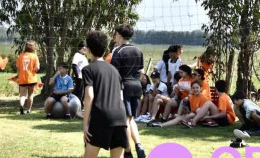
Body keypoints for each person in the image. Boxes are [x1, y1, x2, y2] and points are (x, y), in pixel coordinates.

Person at [82, 30, 128, 158]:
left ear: (88, 50)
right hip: (120, 116)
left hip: (102, 116)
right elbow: (121, 97)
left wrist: (85, 124)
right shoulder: (114, 70)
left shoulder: (88, 69)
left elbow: (89, 96)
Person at [110, 24, 146, 158]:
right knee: (131, 119)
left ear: (119, 35)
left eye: (115, 34)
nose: (114, 37)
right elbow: (141, 72)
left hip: (123, 87)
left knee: (124, 120)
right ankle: (139, 145)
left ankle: (128, 151)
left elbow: (114, 73)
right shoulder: (138, 50)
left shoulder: (117, 51)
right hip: (137, 86)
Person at [147, 81, 215, 128]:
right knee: (180, 118)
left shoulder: (203, 97)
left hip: (205, 116)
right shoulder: (192, 97)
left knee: (195, 112)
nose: (195, 89)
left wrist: (191, 114)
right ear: (191, 89)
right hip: (194, 115)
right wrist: (187, 112)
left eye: (197, 88)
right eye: (193, 88)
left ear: (201, 89)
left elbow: (205, 111)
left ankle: (193, 122)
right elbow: (192, 110)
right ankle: (161, 125)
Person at [16, 40, 40, 115]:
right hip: (31, 78)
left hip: (22, 78)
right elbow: (37, 67)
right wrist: (34, 71)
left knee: (23, 94)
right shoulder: (34, 56)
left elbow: (18, 67)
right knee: (30, 94)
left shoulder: (21, 56)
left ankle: (21, 105)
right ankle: (29, 110)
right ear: (34, 48)